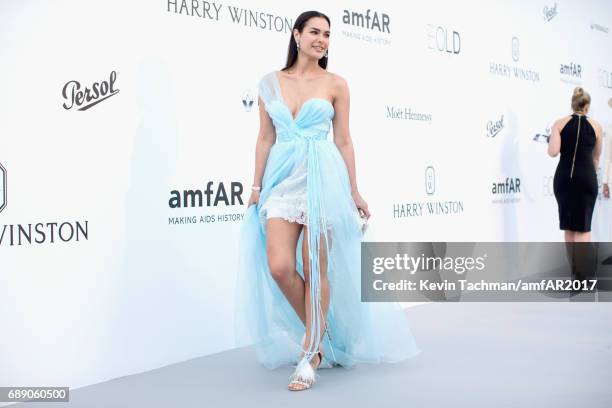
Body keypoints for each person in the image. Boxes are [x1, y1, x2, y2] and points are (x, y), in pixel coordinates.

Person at [234, 10, 420, 391]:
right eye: (315, 32)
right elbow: (265, 138)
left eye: (327, 34)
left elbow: (344, 140)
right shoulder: (269, 83)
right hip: (281, 179)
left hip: (324, 177)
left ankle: (310, 352)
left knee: (315, 264)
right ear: (297, 35)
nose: (322, 39)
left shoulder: (336, 83)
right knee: (279, 266)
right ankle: (324, 335)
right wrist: (255, 187)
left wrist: (353, 190)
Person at [548, 87, 603, 242]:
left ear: (572, 104)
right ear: (587, 106)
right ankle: (581, 267)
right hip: (586, 179)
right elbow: (596, 159)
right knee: (583, 226)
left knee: (569, 225)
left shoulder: (559, 124)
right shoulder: (597, 127)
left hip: (565, 179)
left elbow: (553, 152)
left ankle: (574, 266)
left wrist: (551, 138)